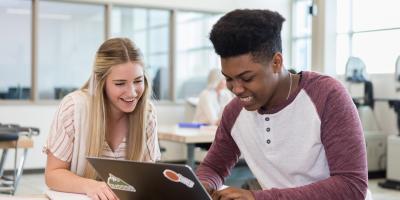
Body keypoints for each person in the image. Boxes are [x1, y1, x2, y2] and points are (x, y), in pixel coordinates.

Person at [196, 9, 370, 200]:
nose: (236, 89)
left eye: (247, 78)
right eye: (228, 79)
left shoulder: (327, 96)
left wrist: (258, 198)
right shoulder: (235, 112)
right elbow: (213, 167)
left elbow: (352, 186)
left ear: (276, 62)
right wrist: (202, 185)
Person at [44, 38, 160, 200]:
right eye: (120, 83)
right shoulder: (74, 107)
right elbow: (53, 174)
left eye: (138, 81)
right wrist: (89, 185)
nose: (132, 92)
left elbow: (147, 178)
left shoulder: (147, 113)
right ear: (100, 81)